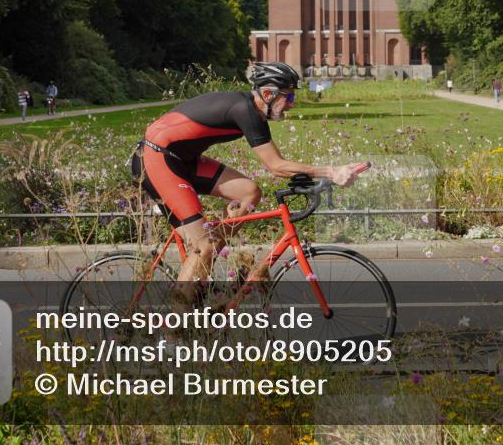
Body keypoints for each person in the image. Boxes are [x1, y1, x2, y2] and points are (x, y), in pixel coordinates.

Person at [131, 61, 367, 300]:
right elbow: (276, 166)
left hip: (183, 160)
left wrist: (320, 177)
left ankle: (204, 263)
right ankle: (176, 330)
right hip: (155, 159)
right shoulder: (244, 110)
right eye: (289, 96)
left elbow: (279, 165)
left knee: (249, 192)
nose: (292, 103)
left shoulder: (254, 112)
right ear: (267, 94)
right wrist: (331, 171)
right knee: (204, 245)